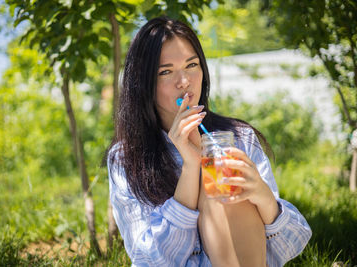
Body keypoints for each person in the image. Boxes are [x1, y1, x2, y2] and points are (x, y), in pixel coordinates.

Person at [107, 16, 311, 267]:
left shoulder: (238, 138)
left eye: (191, 65)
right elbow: (149, 260)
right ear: (144, 83)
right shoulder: (127, 157)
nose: (184, 82)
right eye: (166, 71)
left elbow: (294, 244)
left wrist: (263, 197)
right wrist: (191, 169)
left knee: (228, 188)